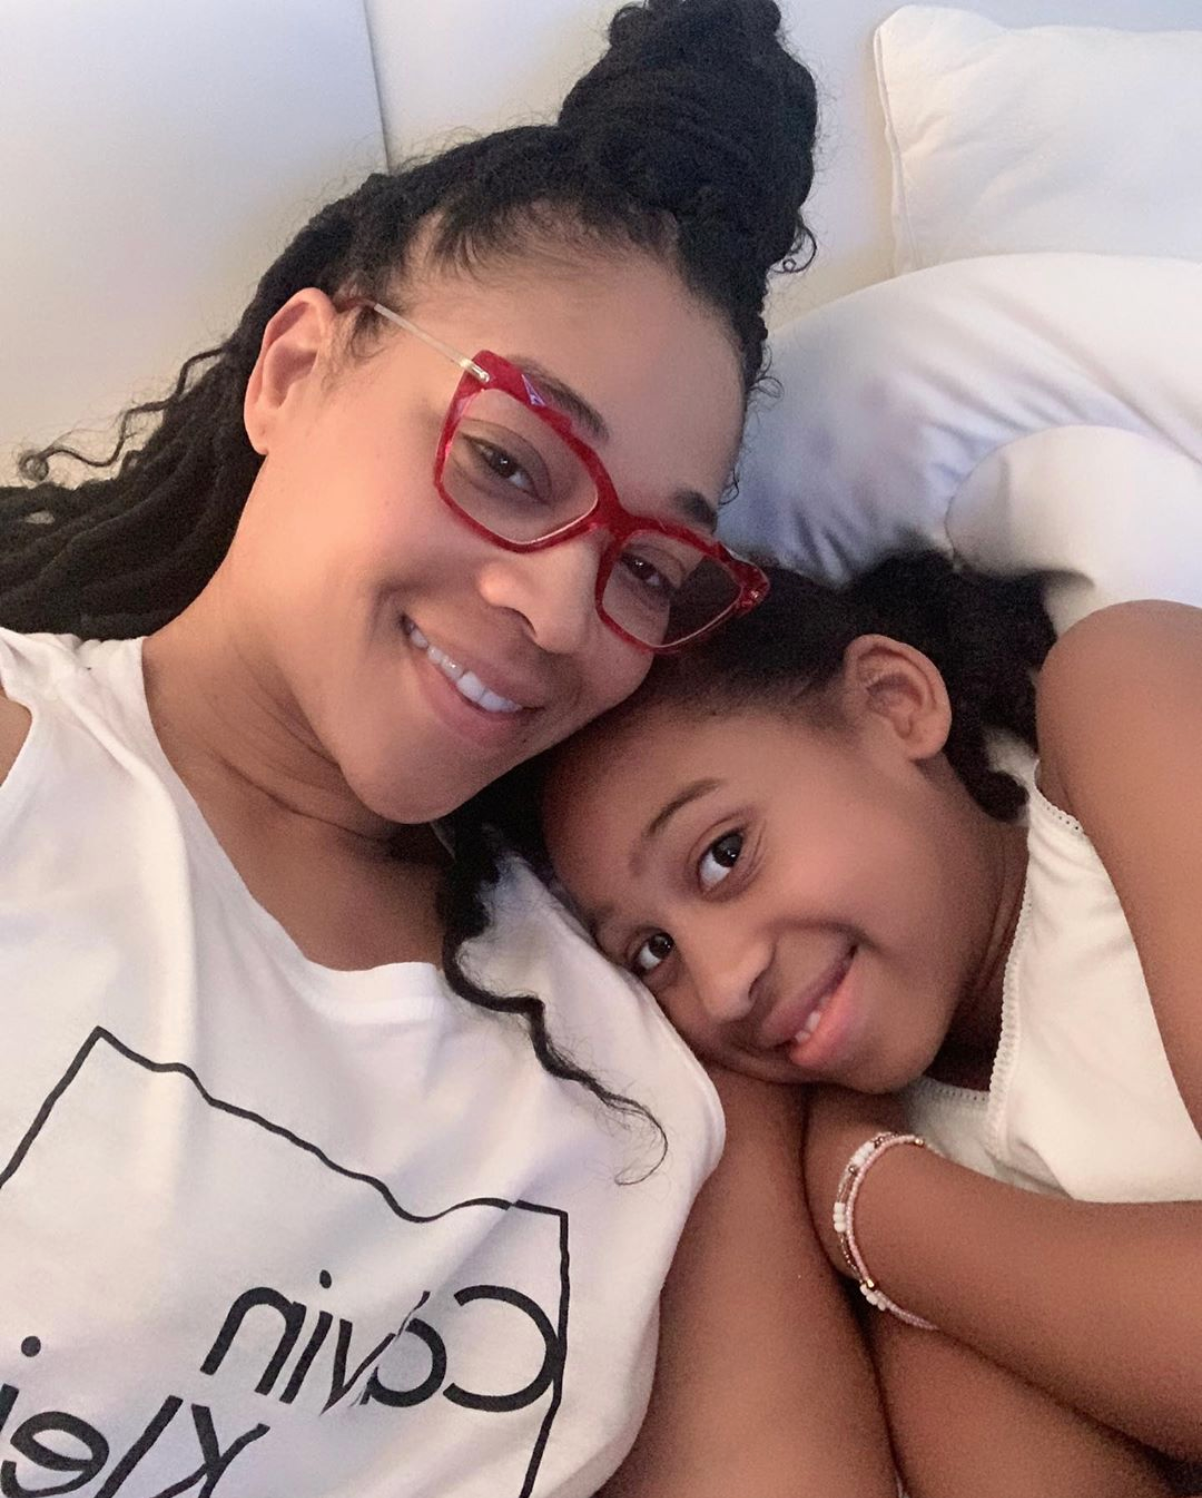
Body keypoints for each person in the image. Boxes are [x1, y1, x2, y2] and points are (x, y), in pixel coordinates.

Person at [0, 3, 908, 1495]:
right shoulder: (27, 762)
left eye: (646, 567)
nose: (558, 609)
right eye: (505, 461)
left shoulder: (658, 1056)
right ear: (295, 368)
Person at [540, 553, 1202, 1498]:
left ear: (895, 705)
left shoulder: (1122, 697)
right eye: (652, 953)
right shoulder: (906, 1215)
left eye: (724, 855)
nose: (722, 988)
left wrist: (876, 1212)